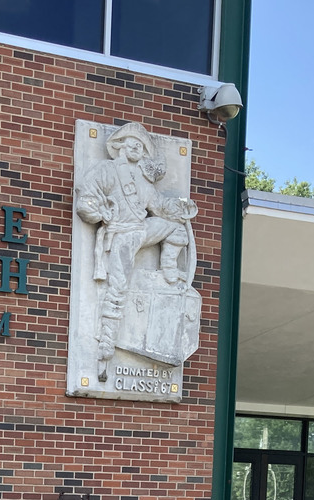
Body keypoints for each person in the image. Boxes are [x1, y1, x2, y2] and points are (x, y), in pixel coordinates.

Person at [75, 123, 198, 382]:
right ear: (119, 144)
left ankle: (168, 268)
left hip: (141, 230)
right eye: (132, 141)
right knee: (117, 289)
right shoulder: (106, 170)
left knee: (176, 230)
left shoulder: (143, 179)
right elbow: (87, 198)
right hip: (120, 235)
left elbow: (158, 206)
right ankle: (106, 346)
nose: (136, 147)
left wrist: (178, 207)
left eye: (141, 145)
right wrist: (99, 212)